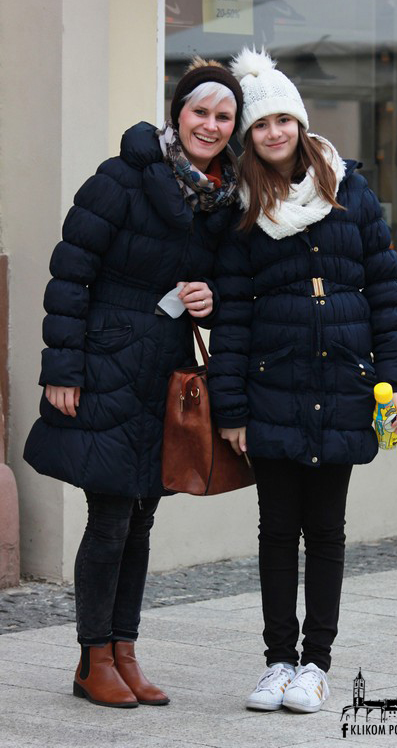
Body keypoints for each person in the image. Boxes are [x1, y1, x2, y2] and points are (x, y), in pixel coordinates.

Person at [23, 57, 243, 709]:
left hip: (166, 373)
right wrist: (62, 369)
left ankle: (125, 651)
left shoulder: (223, 198)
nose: (210, 125)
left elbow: (231, 281)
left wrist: (212, 297)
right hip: (107, 364)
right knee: (112, 515)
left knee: (143, 515)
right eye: (200, 111)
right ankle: (92, 659)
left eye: (223, 116)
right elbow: (71, 274)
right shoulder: (121, 178)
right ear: (178, 112)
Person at [208, 48, 397, 714]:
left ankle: (316, 665)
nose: (274, 133)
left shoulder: (350, 192)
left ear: (299, 122)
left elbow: (385, 294)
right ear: (249, 136)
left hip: (346, 387)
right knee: (275, 530)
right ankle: (277, 661)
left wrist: (395, 384)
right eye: (260, 125)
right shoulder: (243, 207)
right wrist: (230, 410)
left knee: (325, 531)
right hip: (272, 389)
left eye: (283, 121)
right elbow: (232, 316)